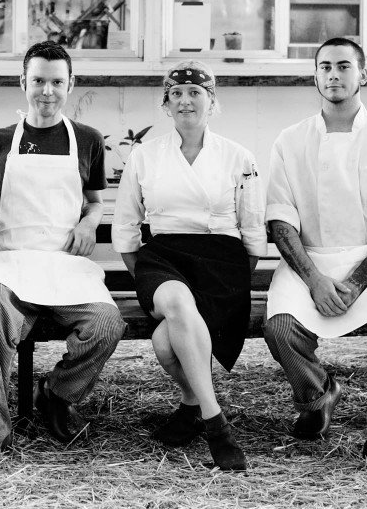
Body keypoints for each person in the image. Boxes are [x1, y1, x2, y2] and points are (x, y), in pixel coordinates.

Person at [0, 42, 126, 460]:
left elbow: (95, 201)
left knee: (108, 323)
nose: (47, 91)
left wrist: (90, 223)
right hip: (10, 262)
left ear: (71, 85)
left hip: (65, 264)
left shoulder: (88, 140)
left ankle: (56, 394)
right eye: (38, 80)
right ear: (23, 83)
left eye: (57, 81)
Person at [264, 38, 367, 476]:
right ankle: (319, 396)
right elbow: (281, 223)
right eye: (324, 67)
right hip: (312, 260)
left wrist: (356, 282)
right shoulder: (291, 140)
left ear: (363, 75)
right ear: (315, 75)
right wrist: (315, 279)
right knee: (280, 329)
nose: (333, 75)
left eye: (343, 66)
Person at [112, 61, 265, 472]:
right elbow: (126, 224)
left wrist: (235, 277)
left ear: (212, 102)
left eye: (195, 93)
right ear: (166, 105)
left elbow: (251, 227)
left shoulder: (238, 155)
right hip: (162, 258)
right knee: (177, 303)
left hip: (221, 261)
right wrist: (142, 272)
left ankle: (191, 404)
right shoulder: (146, 154)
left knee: (165, 343)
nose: (185, 100)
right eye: (175, 94)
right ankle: (217, 425)